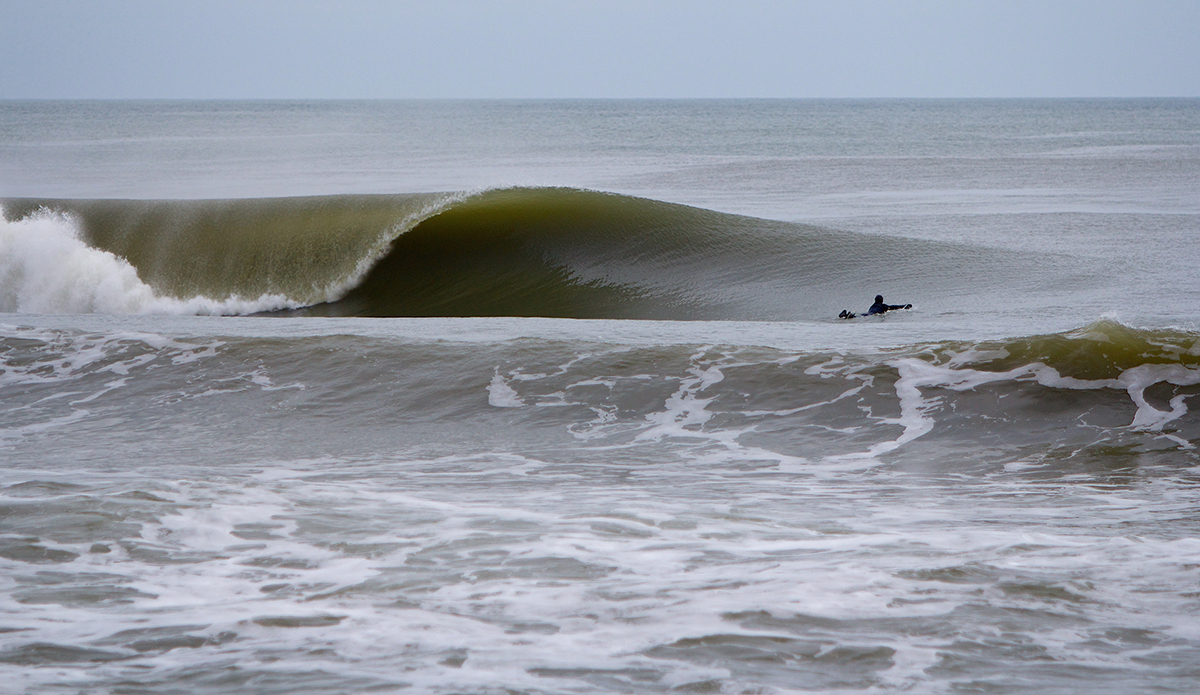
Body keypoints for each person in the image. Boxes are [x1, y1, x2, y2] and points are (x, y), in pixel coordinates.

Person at [839, 295, 912, 319]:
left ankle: (848, 315)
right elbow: (893, 307)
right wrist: (904, 306)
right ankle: (850, 315)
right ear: (882, 300)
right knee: (865, 316)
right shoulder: (883, 306)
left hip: (870, 312)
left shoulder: (873, 305)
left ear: (875, 300)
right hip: (873, 314)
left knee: (862, 315)